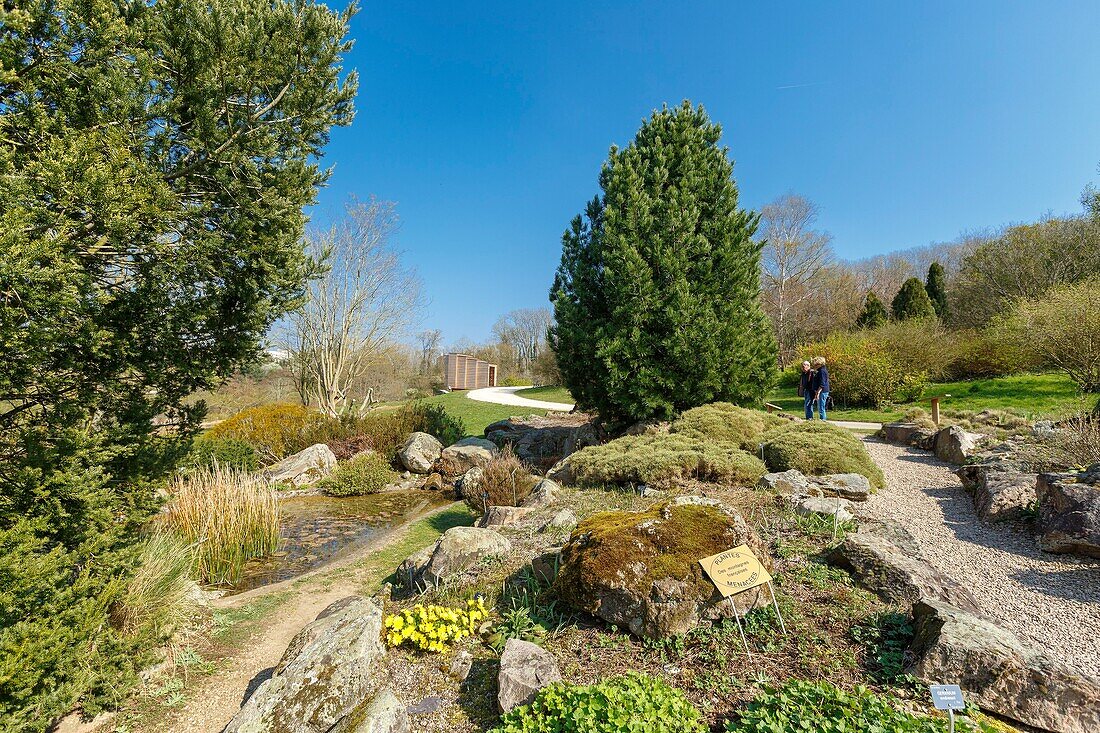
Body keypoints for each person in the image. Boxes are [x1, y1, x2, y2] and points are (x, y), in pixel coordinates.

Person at [811, 356, 830, 421]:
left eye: (816, 364)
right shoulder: (820, 371)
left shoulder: (822, 371)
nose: (815, 366)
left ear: (820, 364)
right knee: (820, 406)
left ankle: (823, 420)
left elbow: (822, 383)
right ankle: (822, 419)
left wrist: (818, 392)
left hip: (822, 391)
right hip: (821, 391)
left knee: (821, 407)